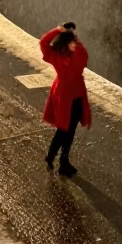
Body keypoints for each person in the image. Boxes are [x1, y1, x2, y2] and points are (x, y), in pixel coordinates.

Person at [40, 23, 91, 176]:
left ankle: (56, 158)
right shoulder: (72, 57)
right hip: (68, 98)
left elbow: (43, 43)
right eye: (72, 42)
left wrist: (59, 31)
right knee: (65, 130)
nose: (75, 44)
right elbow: (84, 56)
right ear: (66, 43)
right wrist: (61, 31)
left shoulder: (57, 55)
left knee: (67, 130)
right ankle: (60, 160)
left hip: (68, 96)